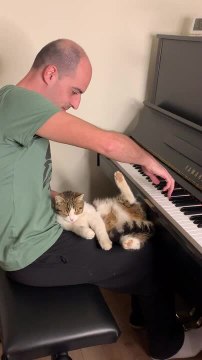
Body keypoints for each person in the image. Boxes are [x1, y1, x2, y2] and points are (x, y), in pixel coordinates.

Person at [0, 39, 201, 360]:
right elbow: (107, 144)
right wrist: (149, 161)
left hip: (32, 240)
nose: (76, 103)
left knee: (135, 226)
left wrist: (63, 201)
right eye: (75, 91)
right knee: (151, 258)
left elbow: (16, 181)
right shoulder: (19, 102)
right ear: (50, 74)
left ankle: (141, 316)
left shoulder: (11, 104)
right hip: (33, 256)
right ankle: (167, 345)